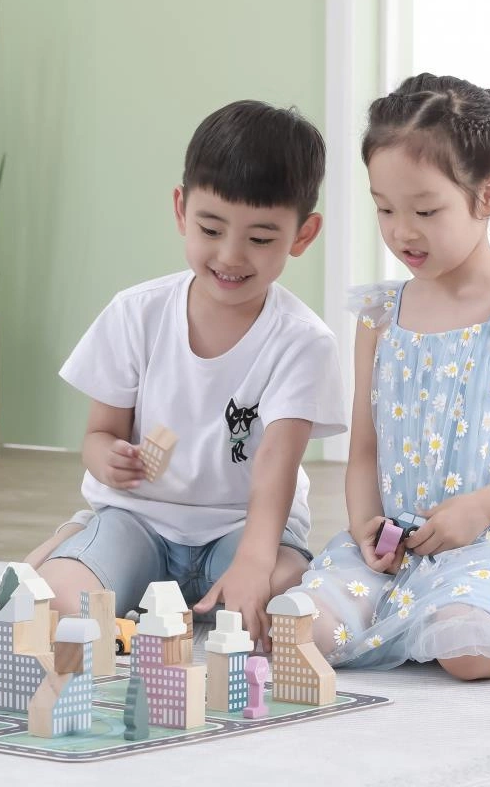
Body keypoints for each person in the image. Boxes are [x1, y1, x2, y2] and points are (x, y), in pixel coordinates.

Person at [26, 99, 347, 649]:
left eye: (260, 238)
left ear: (303, 234)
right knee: (56, 604)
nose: (231, 255)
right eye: (211, 228)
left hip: (244, 528)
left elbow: (276, 468)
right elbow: (99, 434)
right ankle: (80, 539)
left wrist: (254, 563)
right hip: (138, 521)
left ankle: (119, 567)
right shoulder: (137, 313)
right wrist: (106, 459)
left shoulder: (302, 341)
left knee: (294, 614)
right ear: (181, 210)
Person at [291, 73, 490, 679]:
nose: (401, 231)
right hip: (400, 544)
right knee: (308, 631)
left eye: (425, 210)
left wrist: (483, 509)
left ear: (488, 194)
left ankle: (472, 610)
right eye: (384, 208)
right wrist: (365, 526)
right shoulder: (380, 317)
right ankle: (402, 606)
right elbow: (365, 451)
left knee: (469, 647)